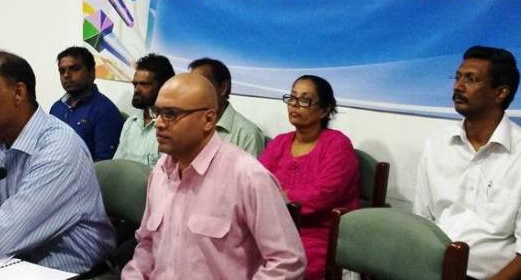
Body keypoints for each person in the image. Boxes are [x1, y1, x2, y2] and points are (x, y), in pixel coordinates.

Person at [0, 50, 114, 274]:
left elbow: (2, 240)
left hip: (67, 272)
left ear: (18, 93)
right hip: (8, 264)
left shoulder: (59, 148)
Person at [122, 73, 306, 279]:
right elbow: (147, 244)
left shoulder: (248, 177)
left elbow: (287, 261)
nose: (158, 123)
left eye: (170, 114)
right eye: (157, 112)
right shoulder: (161, 171)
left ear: (208, 119)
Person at [413, 46, 521, 280]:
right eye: (458, 77)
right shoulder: (437, 144)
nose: (458, 86)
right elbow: (421, 224)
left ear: (500, 93)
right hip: (438, 271)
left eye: (470, 79)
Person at [259, 75, 360, 280]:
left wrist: (281, 197)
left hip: (319, 235)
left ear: (324, 110)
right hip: (274, 229)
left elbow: (324, 194)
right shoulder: (279, 142)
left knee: (282, 266)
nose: (294, 104)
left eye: (304, 100)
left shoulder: (337, 145)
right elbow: (258, 182)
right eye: (292, 97)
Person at [49, 46, 124, 160]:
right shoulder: (57, 108)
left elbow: (105, 164)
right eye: (62, 71)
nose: (66, 75)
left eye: (74, 69)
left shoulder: (105, 111)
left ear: (91, 72)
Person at [188, 57, 266, 156]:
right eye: (191, 86)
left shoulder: (248, 135)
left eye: (200, 85)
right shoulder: (188, 124)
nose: (192, 92)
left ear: (223, 88)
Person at [112, 53, 174, 166]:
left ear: (164, 86)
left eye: (144, 84)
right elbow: (116, 166)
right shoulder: (130, 124)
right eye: (135, 84)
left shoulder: (172, 128)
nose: (137, 89)